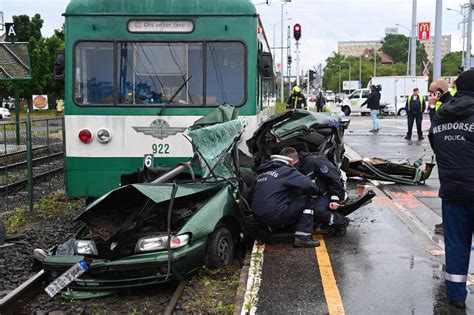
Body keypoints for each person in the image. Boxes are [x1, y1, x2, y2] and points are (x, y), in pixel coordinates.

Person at [428, 69, 474, 310]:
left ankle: (456, 296)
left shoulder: (439, 117)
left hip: (453, 190)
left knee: (456, 243)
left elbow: (436, 147)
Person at [249, 147, 349, 248]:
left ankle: (341, 222)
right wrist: (310, 194)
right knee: (308, 202)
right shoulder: (286, 171)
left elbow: (334, 179)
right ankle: (303, 238)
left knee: (316, 209)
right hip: (278, 212)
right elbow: (308, 184)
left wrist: (335, 198)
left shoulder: (261, 173)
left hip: (258, 215)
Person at [427, 79, 452, 235]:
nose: (430, 95)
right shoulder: (457, 104)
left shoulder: (446, 107)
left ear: (439, 92)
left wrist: (431, 106)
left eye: (432, 92)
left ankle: (448, 224)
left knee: (448, 191)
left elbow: (435, 129)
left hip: (448, 156)